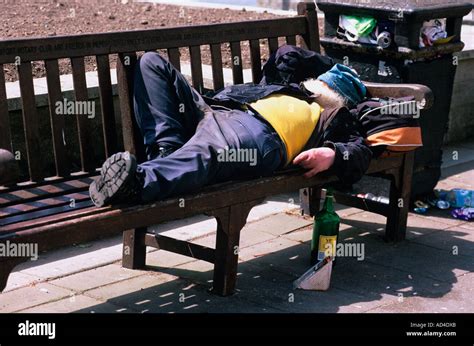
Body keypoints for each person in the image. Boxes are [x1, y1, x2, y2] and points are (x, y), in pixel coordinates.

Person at [89, 50, 372, 207]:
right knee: (151, 62)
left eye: (326, 83)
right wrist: (328, 65)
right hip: (214, 110)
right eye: (320, 79)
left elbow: (360, 150)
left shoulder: (336, 116)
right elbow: (287, 55)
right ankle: (167, 153)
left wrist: (333, 155)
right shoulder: (286, 87)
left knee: (211, 152)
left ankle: (140, 182)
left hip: (257, 136)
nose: (318, 83)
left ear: (336, 95)